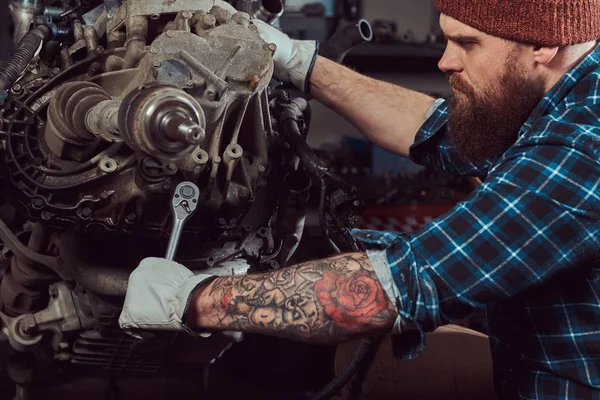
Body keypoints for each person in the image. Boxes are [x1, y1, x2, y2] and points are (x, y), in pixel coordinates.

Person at [119, 0, 600, 398]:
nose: (445, 61)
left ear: (543, 43)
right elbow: (434, 129)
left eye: (468, 44)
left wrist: (192, 298)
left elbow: (392, 291)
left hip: (558, 386)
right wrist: (299, 63)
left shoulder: (585, 145)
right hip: (526, 357)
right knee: (373, 362)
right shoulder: (565, 89)